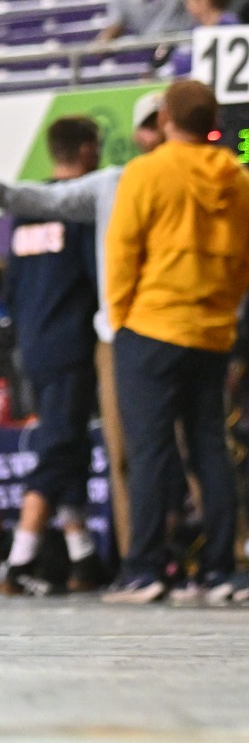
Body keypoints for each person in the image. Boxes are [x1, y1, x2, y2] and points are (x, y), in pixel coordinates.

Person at [101, 80, 249, 603]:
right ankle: (221, 571)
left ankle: (143, 570)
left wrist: (121, 318)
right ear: (211, 121)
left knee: (149, 451)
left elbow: (122, 252)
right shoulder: (241, 181)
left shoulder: (145, 172)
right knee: (211, 449)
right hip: (212, 333)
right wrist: (222, 310)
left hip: (150, 327)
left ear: (167, 118)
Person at [0, 117, 108, 595]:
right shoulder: (83, 209)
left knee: (71, 443)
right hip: (71, 343)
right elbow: (99, 277)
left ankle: (82, 556)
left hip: (32, 345)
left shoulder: (27, 208)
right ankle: (20, 560)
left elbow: (13, 284)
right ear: (85, 150)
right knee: (60, 445)